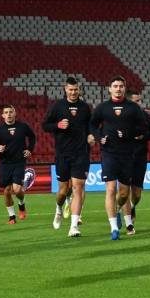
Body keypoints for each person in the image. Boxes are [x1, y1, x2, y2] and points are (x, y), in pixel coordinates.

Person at [90, 75, 148, 240]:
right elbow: (92, 124)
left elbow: (143, 127)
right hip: (108, 153)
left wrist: (128, 133)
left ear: (124, 88)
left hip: (127, 154)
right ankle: (114, 227)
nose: (118, 89)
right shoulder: (102, 108)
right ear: (110, 89)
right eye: (115, 86)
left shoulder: (133, 108)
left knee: (123, 193)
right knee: (110, 189)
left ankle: (119, 210)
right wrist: (99, 136)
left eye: (121, 86)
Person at [42, 77, 94, 236]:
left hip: (81, 153)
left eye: (76, 89)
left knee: (78, 187)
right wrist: (57, 125)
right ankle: (58, 208)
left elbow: (91, 126)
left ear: (79, 89)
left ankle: (74, 226)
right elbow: (45, 125)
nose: (73, 92)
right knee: (63, 190)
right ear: (65, 89)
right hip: (63, 154)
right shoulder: (57, 106)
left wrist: (91, 135)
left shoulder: (85, 107)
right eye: (70, 89)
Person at [118, 89, 150, 235]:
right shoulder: (120, 115)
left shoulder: (144, 115)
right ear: (129, 101)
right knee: (124, 191)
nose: (139, 103)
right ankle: (129, 224)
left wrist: (142, 137)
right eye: (137, 101)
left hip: (140, 156)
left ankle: (130, 207)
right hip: (124, 156)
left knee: (137, 193)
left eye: (140, 100)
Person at [0, 104, 36, 224]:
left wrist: (29, 149)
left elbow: (32, 137)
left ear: (15, 113)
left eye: (11, 112)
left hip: (19, 161)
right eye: (6, 112)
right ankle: (12, 217)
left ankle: (21, 203)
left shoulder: (23, 127)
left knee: (17, 189)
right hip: (5, 163)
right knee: (6, 191)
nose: (9, 114)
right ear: (2, 115)